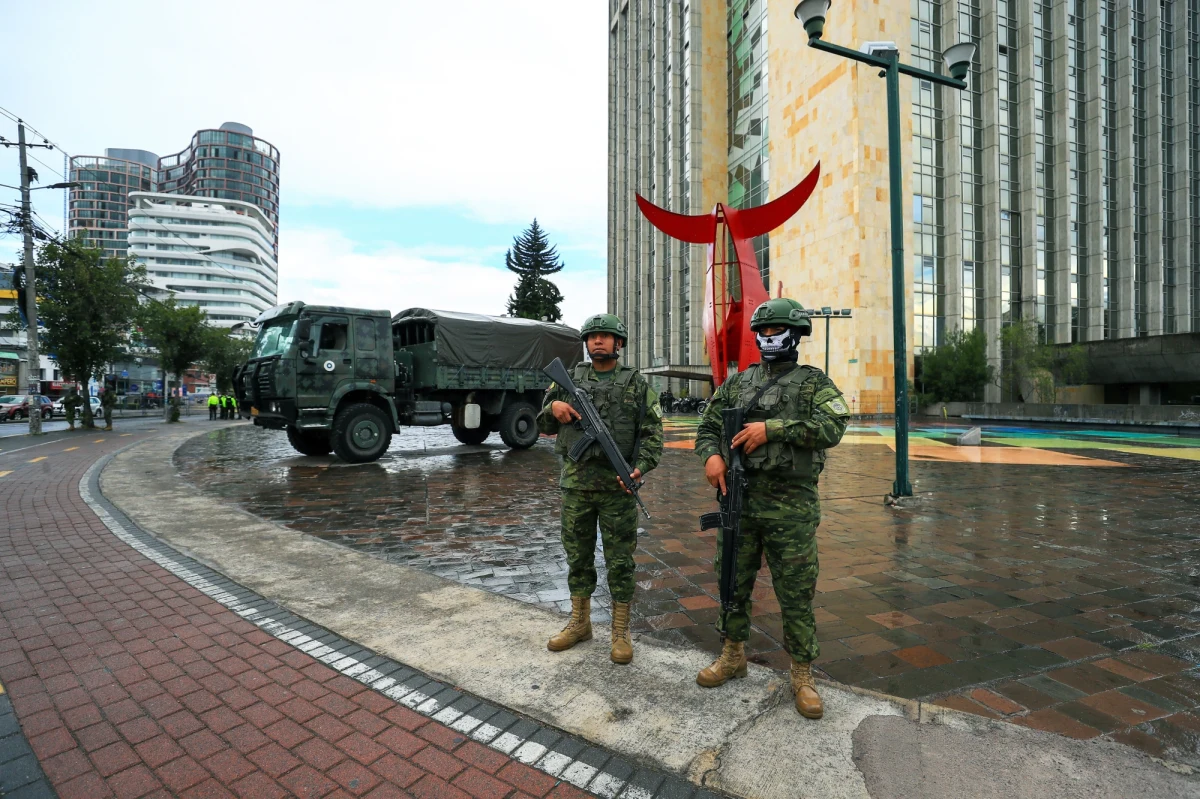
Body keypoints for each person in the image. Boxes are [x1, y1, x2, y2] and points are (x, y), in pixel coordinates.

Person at [693, 297, 849, 720]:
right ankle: (732, 654)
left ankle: (802, 673)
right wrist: (711, 455)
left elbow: (834, 425)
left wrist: (773, 429)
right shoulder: (740, 382)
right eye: (760, 332)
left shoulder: (814, 382)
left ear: (795, 334)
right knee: (732, 581)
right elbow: (707, 425)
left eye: (773, 330)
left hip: (790, 508)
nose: (766, 337)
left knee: (796, 591)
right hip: (739, 502)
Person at [537, 313, 663, 665]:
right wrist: (554, 406)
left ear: (619, 343)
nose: (597, 341)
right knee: (578, 557)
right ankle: (580, 623)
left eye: (605, 337)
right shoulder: (569, 379)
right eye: (592, 337)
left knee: (620, 560)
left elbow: (653, 432)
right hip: (576, 486)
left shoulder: (635, 383)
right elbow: (541, 421)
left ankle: (620, 631)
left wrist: (641, 468)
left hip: (617, 488)